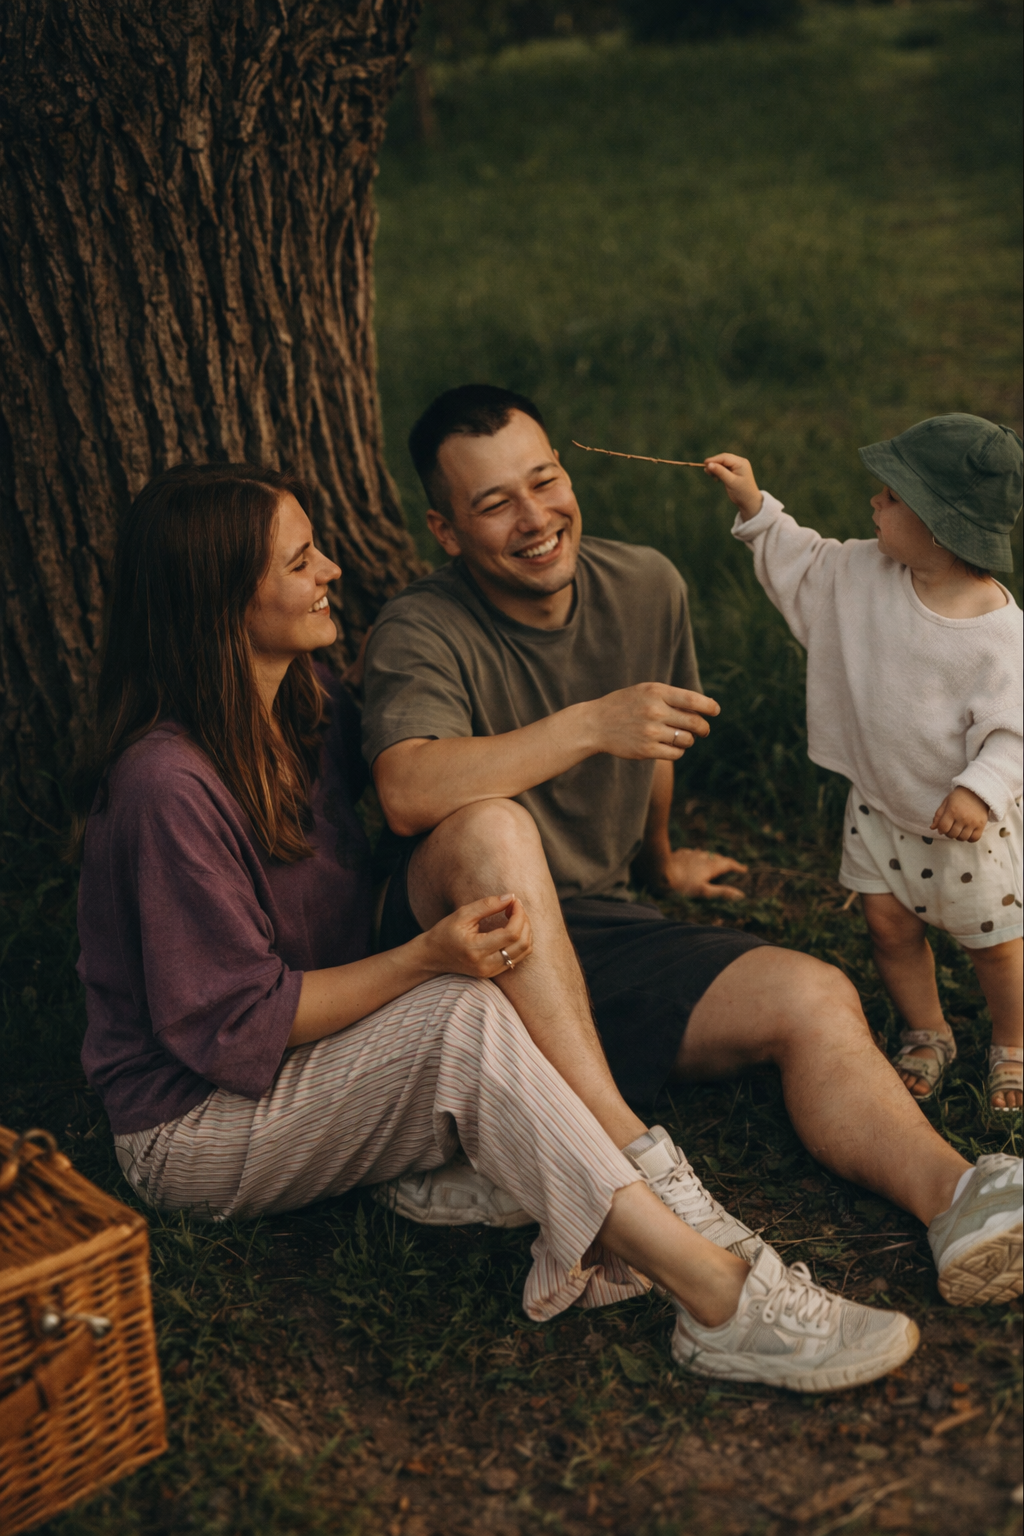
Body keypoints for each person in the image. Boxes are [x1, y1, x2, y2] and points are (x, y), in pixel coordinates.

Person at [72, 461, 923, 1394]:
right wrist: (425, 958)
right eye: (301, 559)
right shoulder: (166, 786)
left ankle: (517, 1163)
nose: (330, 573)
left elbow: (427, 787)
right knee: (459, 1014)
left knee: (492, 887)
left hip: (313, 1053)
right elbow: (235, 1026)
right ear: (225, 599)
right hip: (197, 1120)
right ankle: (717, 1298)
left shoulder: (301, 699)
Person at [361, 386, 1023, 1309]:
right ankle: (631, 1169)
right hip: (462, 949)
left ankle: (961, 1198)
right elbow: (406, 791)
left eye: (544, 480)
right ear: (444, 529)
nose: (535, 517)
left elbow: (654, 747)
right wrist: (591, 723)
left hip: (593, 928)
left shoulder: (645, 584)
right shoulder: (420, 628)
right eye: (494, 503)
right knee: (489, 824)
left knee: (813, 993)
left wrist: (661, 862)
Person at [705, 416, 1022, 1114]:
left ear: (940, 526)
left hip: (962, 826)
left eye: (891, 497)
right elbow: (806, 563)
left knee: (992, 942)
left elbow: (1016, 732)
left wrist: (981, 788)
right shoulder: (862, 573)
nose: (873, 504)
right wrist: (757, 508)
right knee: (889, 927)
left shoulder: (997, 634)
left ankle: (1013, 1042)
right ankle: (928, 1030)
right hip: (880, 806)